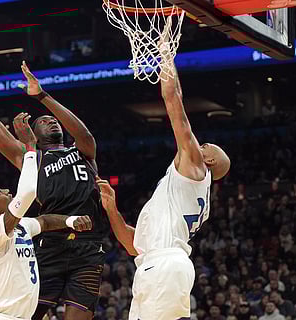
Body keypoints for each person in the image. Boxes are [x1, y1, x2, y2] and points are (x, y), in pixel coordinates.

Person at [0, 36, 108, 320]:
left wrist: (42, 96)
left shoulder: (82, 151)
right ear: (34, 135)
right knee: (22, 313)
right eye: (42, 121)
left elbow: (85, 134)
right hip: (50, 243)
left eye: (52, 120)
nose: (50, 120)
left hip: (88, 246)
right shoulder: (29, 157)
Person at [97, 54, 230, 319]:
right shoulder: (187, 187)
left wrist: (167, 56)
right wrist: (112, 209)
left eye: (205, 146)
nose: (197, 144)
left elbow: (174, 101)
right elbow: (134, 245)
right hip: (157, 265)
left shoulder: (196, 166)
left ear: (210, 159)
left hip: (164, 266)